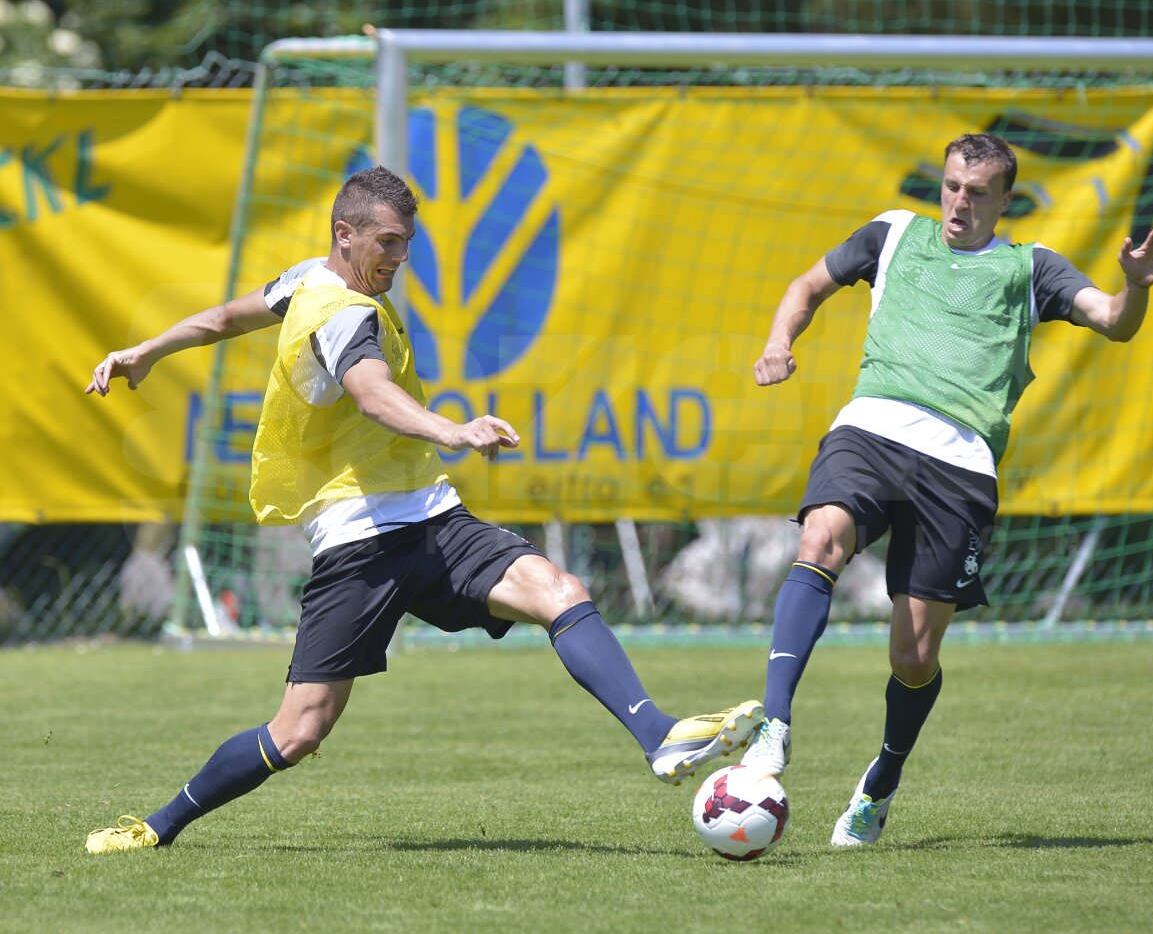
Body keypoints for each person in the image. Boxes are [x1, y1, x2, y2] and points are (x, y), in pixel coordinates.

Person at [83, 165, 763, 855]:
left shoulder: (304, 280)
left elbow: (225, 318)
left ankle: (659, 735)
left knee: (559, 589)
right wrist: (453, 430)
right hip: (358, 543)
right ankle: (157, 825)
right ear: (344, 234)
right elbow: (371, 392)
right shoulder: (340, 313)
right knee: (299, 730)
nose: (401, 257)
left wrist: (148, 351)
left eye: (407, 242)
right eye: (388, 242)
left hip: (433, 519)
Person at [737, 133, 1153, 846]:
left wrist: (1135, 285)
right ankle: (774, 724)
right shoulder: (892, 233)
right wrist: (777, 342)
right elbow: (806, 287)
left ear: (1005, 200)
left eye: (977, 193)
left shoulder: (1030, 267)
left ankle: (882, 780)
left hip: (959, 466)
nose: (959, 203)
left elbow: (1113, 322)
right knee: (820, 537)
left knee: (914, 658)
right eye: (952, 186)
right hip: (872, 428)